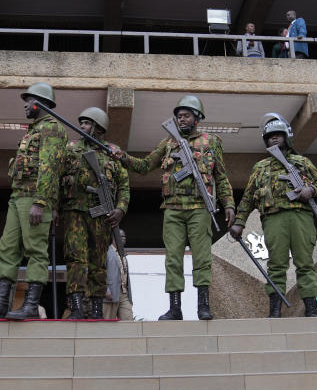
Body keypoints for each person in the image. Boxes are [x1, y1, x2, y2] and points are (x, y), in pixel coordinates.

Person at [112, 95, 234, 320]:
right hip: (173, 209)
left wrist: (228, 204)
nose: (181, 119)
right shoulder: (168, 143)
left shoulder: (212, 141)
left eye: (186, 115)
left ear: (197, 118)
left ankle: (203, 306)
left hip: (199, 207)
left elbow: (221, 176)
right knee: (173, 259)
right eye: (179, 116)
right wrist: (123, 157)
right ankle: (175, 308)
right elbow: (145, 165)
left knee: (202, 258)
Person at [0, 83, 66, 320]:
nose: (25, 105)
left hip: (35, 198)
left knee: (35, 250)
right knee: (6, 249)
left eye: (28, 101)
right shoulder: (33, 130)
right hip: (17, 197)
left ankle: (31, 306)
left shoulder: (53, 128)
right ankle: (1, 303)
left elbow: (50, 168)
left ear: (40, 103)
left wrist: (41, 202)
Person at [229, 113, 317, 317]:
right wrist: (239, 222)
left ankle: (311, 307)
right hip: (273, 218)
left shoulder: (301, 162)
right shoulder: (260, 167)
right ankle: (275, 310)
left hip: (300, 216)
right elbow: (248, 198)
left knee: (305, 263)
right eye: (270, 136)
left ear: (286, 137)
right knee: (276, 265)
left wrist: (311, 191)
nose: (274, 138)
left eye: (278, 135)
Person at [58, 107, 129, 319]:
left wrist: (120, 209)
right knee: (75, 259)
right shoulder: (70, 148)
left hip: (102, 216)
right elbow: (57, 179)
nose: (82, 127)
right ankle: (77, 306)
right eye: (82, 123)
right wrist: (54, 208)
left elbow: (124, 185)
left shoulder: (112, 152)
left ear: (99, 127)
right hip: (75, 212)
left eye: (87, 123)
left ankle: (97, 308)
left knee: (99, 262)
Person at [104, 229, 134, 320]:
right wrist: (106, 289)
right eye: (121, 236)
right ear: (114, 238)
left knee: (128, 320)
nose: (124, 238)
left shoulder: (123, 254)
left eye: (124, 236)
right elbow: (101, 271)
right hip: (111, 293)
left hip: (124, 294)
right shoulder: (107, 252)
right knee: (108, 322)